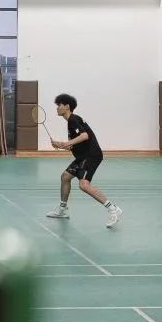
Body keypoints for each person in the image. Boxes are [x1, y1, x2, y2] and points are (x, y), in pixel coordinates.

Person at [46, 94, 123, 228]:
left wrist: (66, 143)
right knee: (65, 177)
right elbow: (72, 145)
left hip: (91, 155)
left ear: (67, 106)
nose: (57, 108)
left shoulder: (73, 119)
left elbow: (84, 136)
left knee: (84, 185)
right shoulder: (72, 122)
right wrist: (59, 144)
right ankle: (62, 209)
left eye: (59, 105)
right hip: (82, 156)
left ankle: (113, 209)